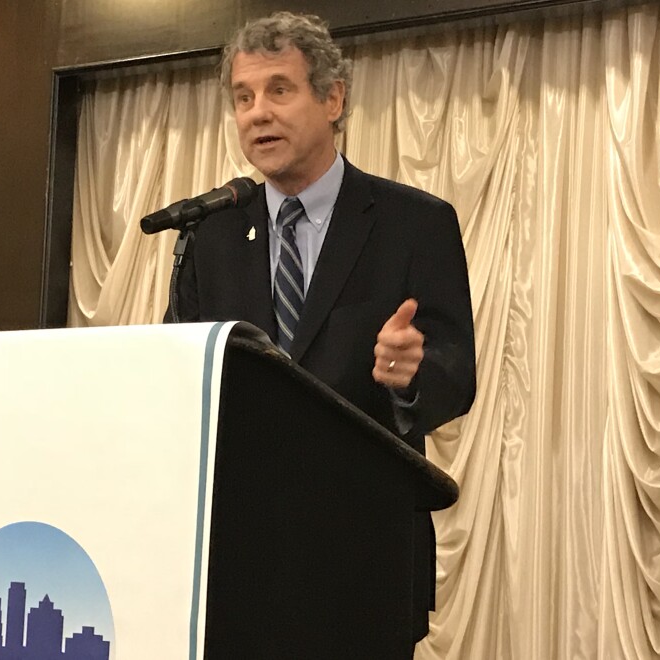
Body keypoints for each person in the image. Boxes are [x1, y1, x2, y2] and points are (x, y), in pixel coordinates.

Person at [167, 11, 476, 646]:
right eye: (243, 97)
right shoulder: (211, 234)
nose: (257, 113)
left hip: (364, 559)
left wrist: (411, 375)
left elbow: (456, 374)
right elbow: (178, 377)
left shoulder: (413, 224)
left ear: (333, 99)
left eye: (280, 90)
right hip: (237, 563)